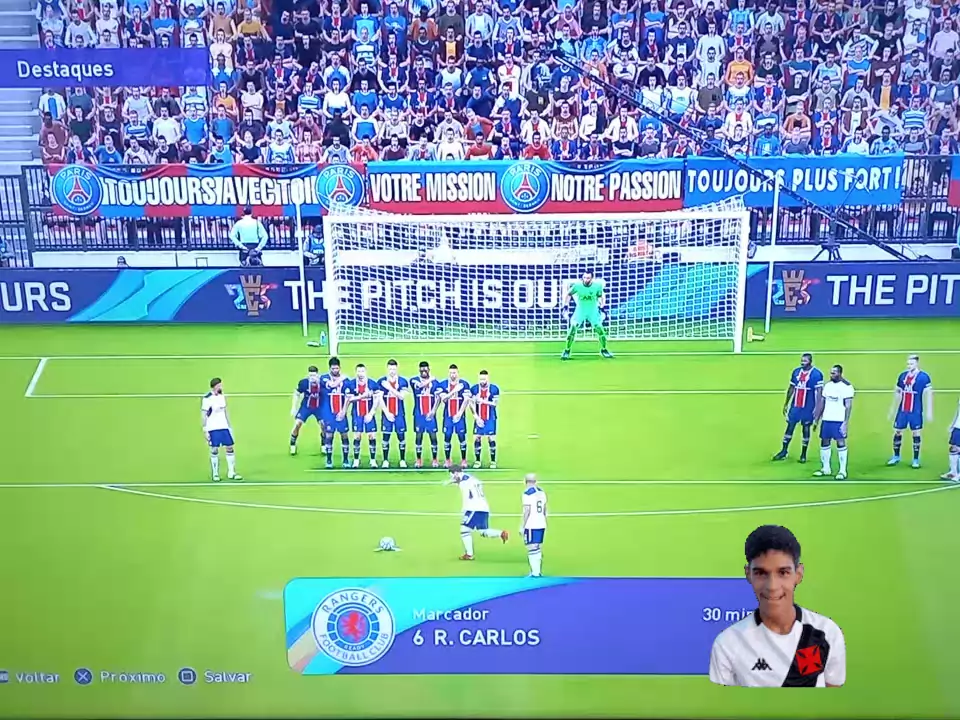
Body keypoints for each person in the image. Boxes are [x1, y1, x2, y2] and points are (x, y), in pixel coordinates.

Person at [708, 525, 845, 687]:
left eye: (783, 572)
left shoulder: (827, 633)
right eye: (761, 573)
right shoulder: (727, 644)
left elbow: (833, 698)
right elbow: (722, 702)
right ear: (748, 574)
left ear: (798, 574)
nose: (772, 586)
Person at [447, 469, 508, 561]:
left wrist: (464, 509)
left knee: (464, 530)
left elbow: (466, 496)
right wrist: (454, 481)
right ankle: (501, 533)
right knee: (483, 531)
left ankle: (469, 554)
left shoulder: (464, 483)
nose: (452, 477)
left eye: (452, 475)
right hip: (484, 507)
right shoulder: (473, 479)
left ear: (456, 473)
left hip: (474, 508)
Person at [773, 353, 824, 463]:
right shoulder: (796, 372)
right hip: (796, 406)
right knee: (790, 427)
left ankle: (803, 454)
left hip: (808, 407)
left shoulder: (816, 374)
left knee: (806, 429)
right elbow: (791, 388)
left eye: (805, 361)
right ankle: (784, 451)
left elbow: (819, 393)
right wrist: (786, 403)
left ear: (810, 362)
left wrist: (817, 408)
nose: (802, 363)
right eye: (802, 360)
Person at [887, 354, 933, 468]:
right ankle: (896, 456)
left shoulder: (924, 377)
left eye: (911, 364)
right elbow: (898, 392)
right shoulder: (902, 376)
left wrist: (929, 411)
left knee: (916, 433)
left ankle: (915, 459)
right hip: (903, 410)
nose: (909, 366)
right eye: (908, 364)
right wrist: (892, 409)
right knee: (898, 431)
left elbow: (928, 394)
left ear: (917, 363)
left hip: (915, 410)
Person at [813, 365, 855, 479]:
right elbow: (822, 402)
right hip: (827, 419)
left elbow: (848, 406)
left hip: (839, 419)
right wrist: (817, 419)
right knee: (824, 441)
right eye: (831, 373)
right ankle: (826, 468)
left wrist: (845, 423)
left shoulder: (847, 387)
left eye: (834, 373)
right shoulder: (828, 386)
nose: (831, 375)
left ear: (840, 373)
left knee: (840, 443)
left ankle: (842, 471)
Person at [561, 270, 613, 360]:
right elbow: (569, 294)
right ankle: (567, 350)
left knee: (600, 329)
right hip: (580, 310)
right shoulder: (577, 285)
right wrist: (565, 306)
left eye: (588, 278)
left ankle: (604, 349)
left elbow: (600, 296)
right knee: (573, 328)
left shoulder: (597, 286)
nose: (586, 279)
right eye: (584, 277)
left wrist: (602, 307)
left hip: (593, 311)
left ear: (592, 278)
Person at [201, 377, 241, 482]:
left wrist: (229, 426)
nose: (221, 387)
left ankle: (232, 472)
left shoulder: (222, 396)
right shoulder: (207, 398)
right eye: (220, 385)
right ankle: (215, 474)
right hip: (213, 428)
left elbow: (225, 412)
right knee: (214, 450)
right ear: (215, 386)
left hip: (224, 427)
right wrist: (205, 430)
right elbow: (204, 415)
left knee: (230, 448)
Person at [437, 364, 473, 468]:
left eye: (454, 373)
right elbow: (444, 399)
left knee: (462, 438)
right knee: (447, 438)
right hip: (448, 416)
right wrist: (455, 390)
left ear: (458, 373)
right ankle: (447, 460)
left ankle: (464, 460)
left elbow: (466, 400)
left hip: (460, 417)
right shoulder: (443, 384)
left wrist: (459, 414)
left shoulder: (464, 384)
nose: (452, 375)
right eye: (451, 373)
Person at [321, 356, 351, 469]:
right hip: (329, 413)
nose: (335, 370)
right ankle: (329, 460)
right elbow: (332, 385)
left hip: (341, 412)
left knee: (344, 435)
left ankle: (346, 460)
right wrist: (342, 377)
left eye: (337, 368)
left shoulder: (346, 381)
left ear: (340, 368)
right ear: (329, 368)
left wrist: (343, 412)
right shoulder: (324, 378)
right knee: (329, 436)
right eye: (333, 368)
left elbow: (348, 397)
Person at [347, 363, 379, 468]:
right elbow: (350, 399)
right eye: (358, 371)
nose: (360, 373)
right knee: (357, 436)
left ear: (366, 372)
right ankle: (356, 460)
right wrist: (362, 396)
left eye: (362, 371)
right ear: (356, 372)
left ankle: (373, 460)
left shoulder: (372, 384)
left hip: (369, 414)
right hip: (357, 414)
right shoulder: (352, 384)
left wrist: (371, 413)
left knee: (372, 436)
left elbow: (377, 399)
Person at [379, 359, 409, 468]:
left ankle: (402, 460)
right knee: (386, 437)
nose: (392, 371)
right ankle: (385, 460)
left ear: (397, 369)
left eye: (394, 369)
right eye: (390, 369)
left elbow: (402, 396)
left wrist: (389, 387)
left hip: (399, 414)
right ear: (387, 369)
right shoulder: (381, 381)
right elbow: (379, 399)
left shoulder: (403, 381)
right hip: (386, 414)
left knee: (401, 437)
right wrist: (387, 413)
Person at [411, 361, 440, 468]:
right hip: (419, 414)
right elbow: (419, 386)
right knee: (419, 436)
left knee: (433, 436)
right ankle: (418, 459)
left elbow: (438, 398)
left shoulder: (436, 383)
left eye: (425, 369)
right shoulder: (414, 380)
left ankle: (435, 459)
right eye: (422, 369)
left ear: (429, 369)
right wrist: (431, 379)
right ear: (419, 370)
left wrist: (433, 411)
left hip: (430, 414)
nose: (423, 371)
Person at [290, 365, 323, 456]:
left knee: (323, 425)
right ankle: (292, 444)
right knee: (297, 424)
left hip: (319, 407)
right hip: (306, 407)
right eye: (310, 376)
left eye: (314, 376)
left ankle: (323, 444)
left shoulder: (322, 383)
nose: (312, 378)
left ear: (317, 375)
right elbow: (296, 394)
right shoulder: (304, 383)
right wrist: (294, 407)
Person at [471, 370, 499, 469]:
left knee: (491, 438)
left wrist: (482, 401)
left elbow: (494, 404)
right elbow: (471, 403)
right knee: (477, 438)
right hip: (479, 418)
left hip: (490, 418)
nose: (482, 381)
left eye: (484, 379)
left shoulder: (494, 389)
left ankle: (493, 461)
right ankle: (477, 460)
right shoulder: (474, 389)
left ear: (488, 379)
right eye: (480, 379)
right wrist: (476, 417)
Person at [521, 473, 547, 577]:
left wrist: (522, 526)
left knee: (531, 547)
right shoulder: (542, 492)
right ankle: (537, 571)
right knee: (538, 547)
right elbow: (545, 509)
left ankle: (535, 573)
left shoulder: (527, 494)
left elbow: (527, 510)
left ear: (525, 481)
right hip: (541, 523)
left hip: (531, 524)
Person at [944, 398, 960, 481]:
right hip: (957, 427)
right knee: (953, 449)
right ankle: (953, 472)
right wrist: (952, 424)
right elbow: (958, 412)